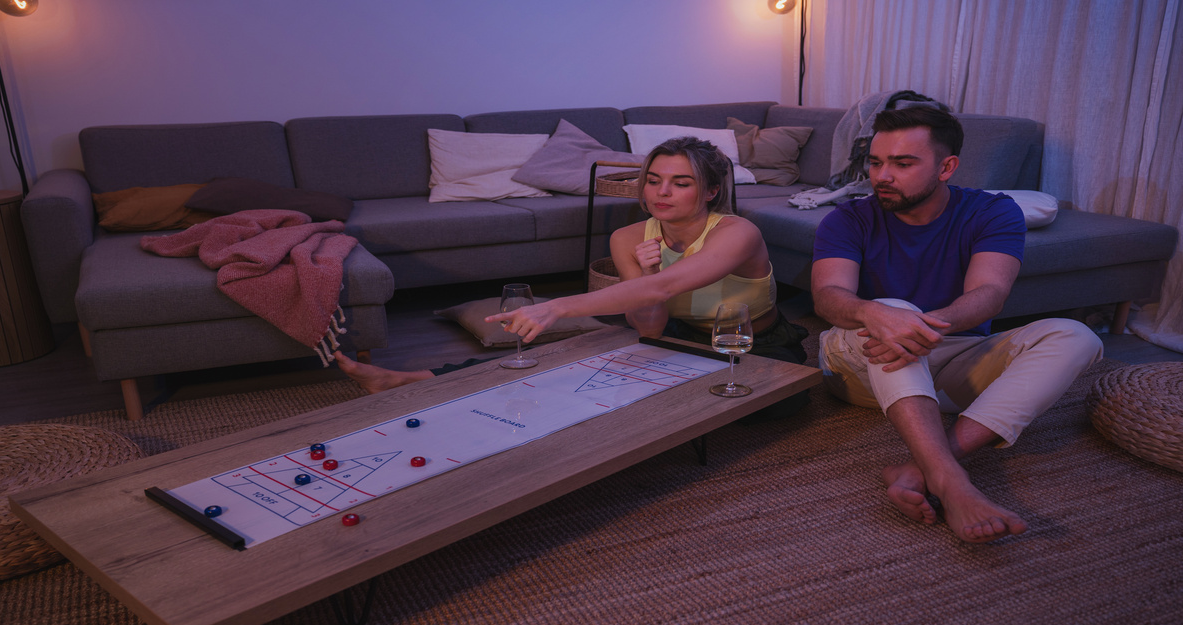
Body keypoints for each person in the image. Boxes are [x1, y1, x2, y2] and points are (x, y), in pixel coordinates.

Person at [338, 137, 809, 414]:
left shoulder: (737, 232)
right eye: (653, 180)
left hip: (752, 348)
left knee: (727, 411)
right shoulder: (628, 239)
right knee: (560, 365)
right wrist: (644, 269)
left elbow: (668, 284)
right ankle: (412, 379)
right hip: (676, 339)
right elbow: (650, 323)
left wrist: (557, 305)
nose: (661, 192)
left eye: (681, 183)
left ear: (709, 192)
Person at [810, 106, 1104, 544]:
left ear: (947, 167)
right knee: (891, 307)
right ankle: (952, 481)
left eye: (903, 163)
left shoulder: (992, 212)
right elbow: (829, 297)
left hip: (951, 354)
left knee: (1076, 336)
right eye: (876, 162)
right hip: (858, 359)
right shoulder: (848, 218)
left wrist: (919, 326)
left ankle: (920, 467)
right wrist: (878, 314)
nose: (882, 175)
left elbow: (989, 293)